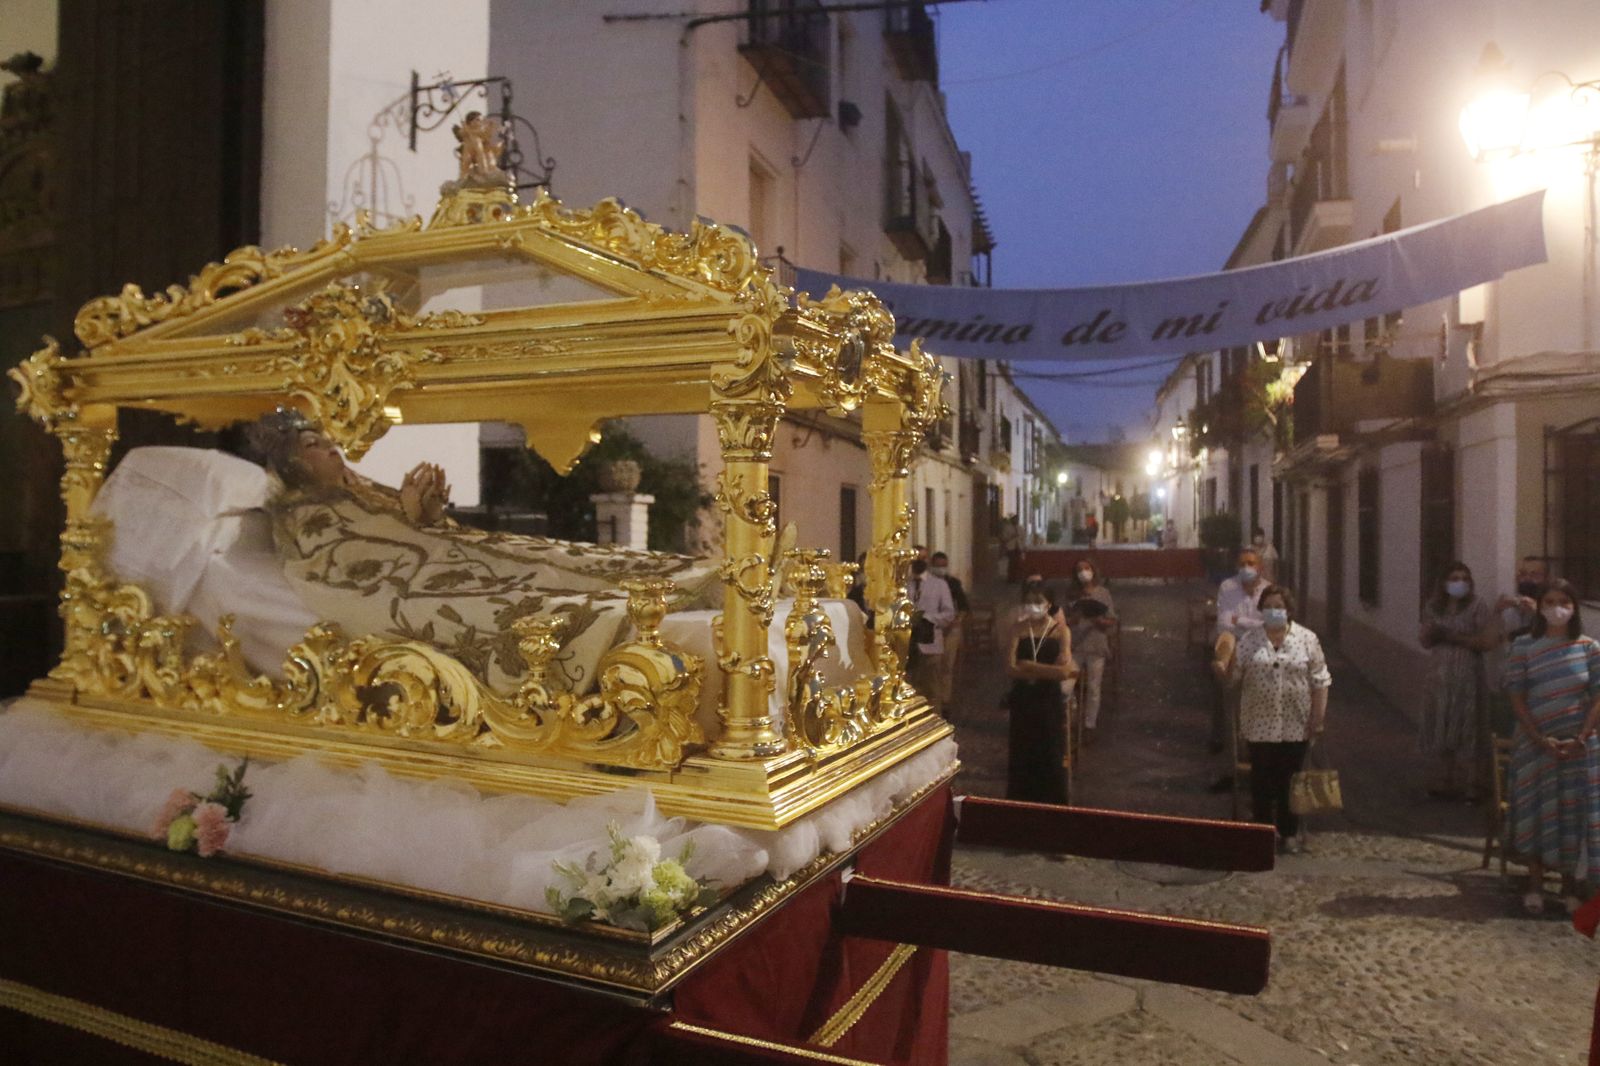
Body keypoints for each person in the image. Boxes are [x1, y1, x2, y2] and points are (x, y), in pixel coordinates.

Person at [1505, 580, 1600, 915]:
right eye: (1550, 601)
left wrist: (1582, 737)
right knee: (1536, 810)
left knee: (1571, 814)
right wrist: (1538, 738)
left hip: (1578, 747)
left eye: (1563, 601)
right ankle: (1534, 885)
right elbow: (1516, 695)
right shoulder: (1523, 647)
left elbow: (1597, 697)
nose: (1556, 607)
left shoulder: (1589, 648)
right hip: (1535, 746)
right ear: (1539, 606)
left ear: (1574, 607)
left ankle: (1569, 887)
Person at [1222, 584, 1331, 853]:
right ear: (1261, 610)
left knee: (1290, 782)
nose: (1274, 611)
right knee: (1262, 782)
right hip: (1259, 723)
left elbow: (1320, 681)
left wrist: (1317, 719)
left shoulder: (1307, 639)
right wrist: (1223, 664)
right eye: (1268, 606)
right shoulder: (1249, 641)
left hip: (1296, 723)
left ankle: (1289, 832)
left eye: (1279, 606)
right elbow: (1233, 678)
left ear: (1289, 610)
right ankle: (1262, 834)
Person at [1418, 562, 1497, 800]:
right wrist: (1431, 634)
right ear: (1444, 582)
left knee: (1469, 724)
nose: (1459, 582)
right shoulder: (1433, 607)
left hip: (1468, 675)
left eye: (1464, 577)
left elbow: (1485, 642)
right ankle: (1444, 779)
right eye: (1454, 577)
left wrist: (1451, 636)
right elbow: (1425, 640)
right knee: (1442, 723)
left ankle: (1474, 783)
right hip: (1440, 675)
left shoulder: (1477, 605)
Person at [1003, 584, 1075, 804]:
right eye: (1029, 602)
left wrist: (1031, 667)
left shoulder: (1060, 631)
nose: (1033, 607)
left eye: (1038, 602)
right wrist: (1047, 671)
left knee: (1050, 748)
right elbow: (1010, 668)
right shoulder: (1018, 629)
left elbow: (1064, 672)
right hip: (1023, 698)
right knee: (1023, 749)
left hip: (1048, 699)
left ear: (1048, 605)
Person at [1210, 548, 1268, 755]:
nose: (1247, 568)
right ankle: (1220, 736)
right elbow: (1225, 622)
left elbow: (1268, 625)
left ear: (1260, 567)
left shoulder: (1268, 591)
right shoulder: (1228, 587)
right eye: (1243, 564)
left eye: (1251, 563)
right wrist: (1250, 624)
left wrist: (1241, 621)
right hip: (1233, 640)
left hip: (1258, 645)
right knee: (1225, 641)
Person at [1486, 556, 1548, 739]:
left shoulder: (1555, 608)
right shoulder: (1509, 610)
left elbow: (1566, 640)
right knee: (1504, 742)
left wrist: (1539, 613)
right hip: (1507, 688)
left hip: (1540, 692)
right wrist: (1497, 612)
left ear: (1546, 578)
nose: (1527, 579)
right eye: (1522, 574)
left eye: (1534, 574)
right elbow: (1490, 642)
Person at [1067, 558, 1116, 742]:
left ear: (1093, 571)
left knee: (1094, 687)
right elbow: (1066, 620)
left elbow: (1111, 619)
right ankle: (1071, 716)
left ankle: (1089, 724)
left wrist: (1100, 621)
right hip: (1076, 645)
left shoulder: (1103, 593)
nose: (1083, 572)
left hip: (1096, 645)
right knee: (1067, 684)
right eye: (1079, 570)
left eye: (1086, 568)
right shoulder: (1072, 594)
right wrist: (1076, 617)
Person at [907, 556, 956, 712]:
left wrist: (928, 618)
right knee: (911, 688)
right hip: (908, 645)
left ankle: (936, 721)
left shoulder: (939, 585)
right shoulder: (903, 584)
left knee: (932, 689)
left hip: (930, 642)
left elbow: (948, 613)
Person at [929, 551, 969, 706]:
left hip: (951, 629)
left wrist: (956, 621)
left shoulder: (953, 583)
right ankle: (933, 697)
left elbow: (964, 607)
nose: (940, 569)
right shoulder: (927, 584)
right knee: (933, 665)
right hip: (932, 629)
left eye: (943, 566)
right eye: (937, 566)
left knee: (947, 665)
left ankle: (945, 699)